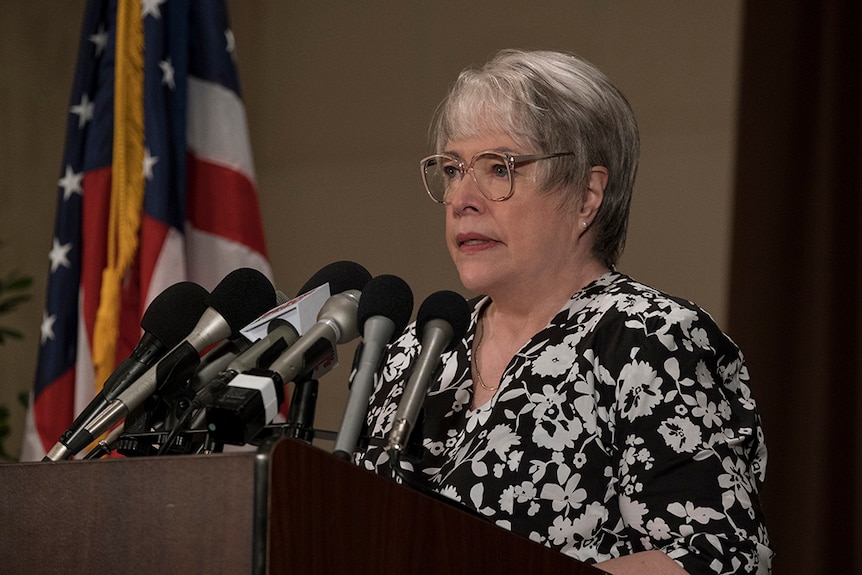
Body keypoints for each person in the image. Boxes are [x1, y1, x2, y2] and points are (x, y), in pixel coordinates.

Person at [354, 49, 772, 574]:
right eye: (453, 169)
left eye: (499, 168)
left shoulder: (649, 340)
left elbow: (717, 560)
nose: (463, 197)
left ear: (587, 197)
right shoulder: (415, 349)